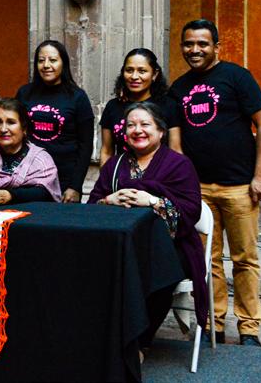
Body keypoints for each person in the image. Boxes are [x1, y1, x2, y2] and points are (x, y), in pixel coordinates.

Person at [169, 19, 261, 347]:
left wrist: (260, 175)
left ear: (217, 47)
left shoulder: (236, 77)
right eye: (188, 44)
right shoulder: (179, 88)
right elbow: (176, 144)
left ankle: (249, 327)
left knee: (245, 259)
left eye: (202, 44)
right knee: (206, 261)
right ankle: (214, 323)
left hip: (239, 186)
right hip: (198, 189)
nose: (194, 50)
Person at [88, 102, 207, 350]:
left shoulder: (179, 164)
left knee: (159, 271)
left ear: (161, 131)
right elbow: (90, 211)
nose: (137, 130)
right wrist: (109, 200)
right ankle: (103, 339)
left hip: (171, 246)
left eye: (145, 124)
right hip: (122, 244)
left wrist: (152, 201)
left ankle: (138, 342)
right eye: (131, 125)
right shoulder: (114, 166)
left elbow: (191, 211)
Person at [16, 40, 94, 203]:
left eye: (52, 60)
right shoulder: (24, 93)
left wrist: (75, 186)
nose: (46, 65)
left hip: (64, 178)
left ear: (63, 63)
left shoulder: (77, 97)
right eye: (41, 60)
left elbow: (86, 146)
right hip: (29, 176)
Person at [99, 48, 180, 165]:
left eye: (142, 71)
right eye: (129, 70)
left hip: (160, 173)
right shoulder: (113, 107)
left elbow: (175, 150)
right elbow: (106, 151)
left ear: (154, 74)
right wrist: (105, 176)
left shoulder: (168, 105)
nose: (134, 76)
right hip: (123, 173)